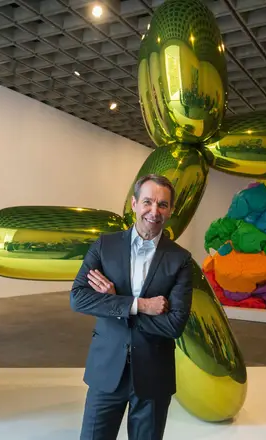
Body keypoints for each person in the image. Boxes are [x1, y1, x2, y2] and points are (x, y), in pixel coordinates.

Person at [70, 174, 194, 440]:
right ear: (134, 204)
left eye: (162, 204)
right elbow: (78, 298)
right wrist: (140, 305)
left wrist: (113, 303)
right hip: (106, 371)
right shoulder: (105, 246)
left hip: (153, 377)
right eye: (148, 202)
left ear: (170, 211)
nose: (154, 210)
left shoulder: (181, 259)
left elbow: (174, 324)